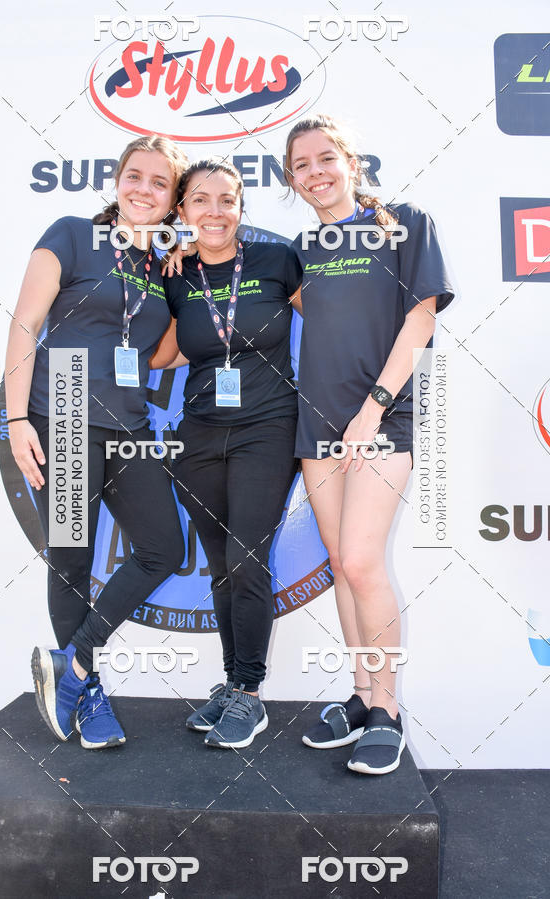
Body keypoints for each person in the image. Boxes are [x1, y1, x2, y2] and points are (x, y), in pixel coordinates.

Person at [4, 135, 188, 749]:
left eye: (159, 183)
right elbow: (26, 324)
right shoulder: (71, 235)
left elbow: (163, 354)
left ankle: (72, 664)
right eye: (135, 176)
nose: (143, 190)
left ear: (173, 200)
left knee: (163, 546)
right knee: (72, 559)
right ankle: (87, 697)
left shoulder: (163, 268)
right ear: (117, 180)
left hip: (129, 425)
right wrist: (17, 420)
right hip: (61, 414)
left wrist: (192, 275)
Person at [284, 114, 454, 774]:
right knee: (339, 563)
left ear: (350, 163)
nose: (316, 173)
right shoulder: (302, 249)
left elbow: (421, 318)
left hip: (382, 420)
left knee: (361, 561)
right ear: (292, 180)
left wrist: (373, 407)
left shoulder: (405, 223)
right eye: (301, 165)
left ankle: (387, 708)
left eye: (325, 158)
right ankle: (360, 695)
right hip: (316, 425)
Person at [152, 158, 302, 749]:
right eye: (200, 200)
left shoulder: (277, 261)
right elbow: (162, 356)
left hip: (268, 428)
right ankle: (233, 682)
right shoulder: (176, 275)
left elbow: (331, 325)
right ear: (182, 210)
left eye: (227, 200)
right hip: (199, 436)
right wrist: (159, 264)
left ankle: (250, 694)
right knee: (220, 566)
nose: (215, 211)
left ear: (241, 207)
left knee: (246, 559)